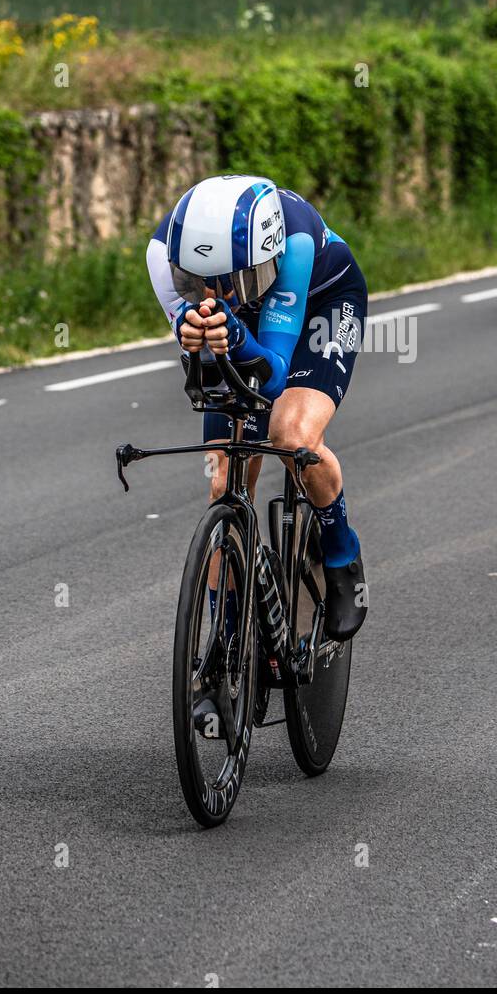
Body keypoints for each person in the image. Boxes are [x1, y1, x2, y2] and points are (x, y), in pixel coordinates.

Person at [147, 175, 369, 644]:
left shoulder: (298, 240)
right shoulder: (162, 257)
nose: (212, 295)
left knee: (293, 436)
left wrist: (236, 337)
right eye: (197, 284)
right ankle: (222, 645)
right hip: (249, 316)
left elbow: (272, 375)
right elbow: (206, 375)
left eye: (227, 283)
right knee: (224, 478)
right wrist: (198, 346)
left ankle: (340, 550)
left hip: (320, 304)